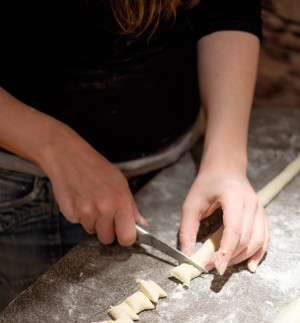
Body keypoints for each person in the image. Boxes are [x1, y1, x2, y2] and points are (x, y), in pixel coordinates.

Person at [0, 0, 269, 306]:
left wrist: (225, 161)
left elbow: (226, 9)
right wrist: (53, 146)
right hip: (28, 191)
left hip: (177, 163)